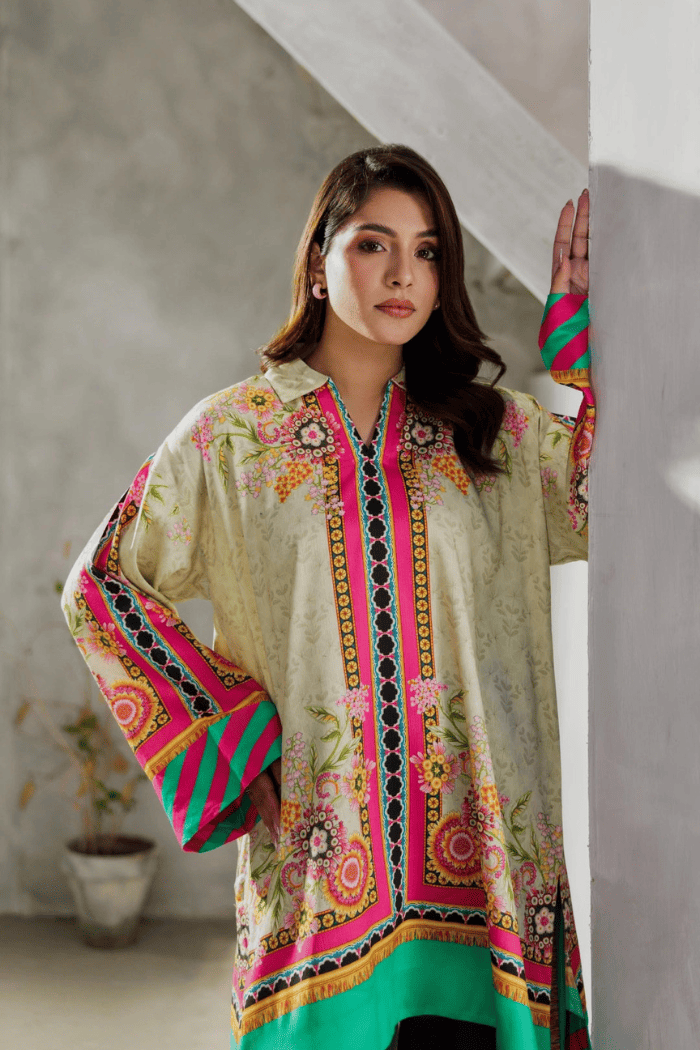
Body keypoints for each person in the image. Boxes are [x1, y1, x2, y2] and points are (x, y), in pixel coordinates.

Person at [62, 144, 593, 1050]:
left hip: (491, 867)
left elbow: (603, 504)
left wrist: (585, 355)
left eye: (427, 252)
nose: (403, 275)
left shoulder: (491, 433)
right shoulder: (232, 438)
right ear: (318, 261)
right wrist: (227, 734)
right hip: (318, 870)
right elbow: (102, 586)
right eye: (373, 245)